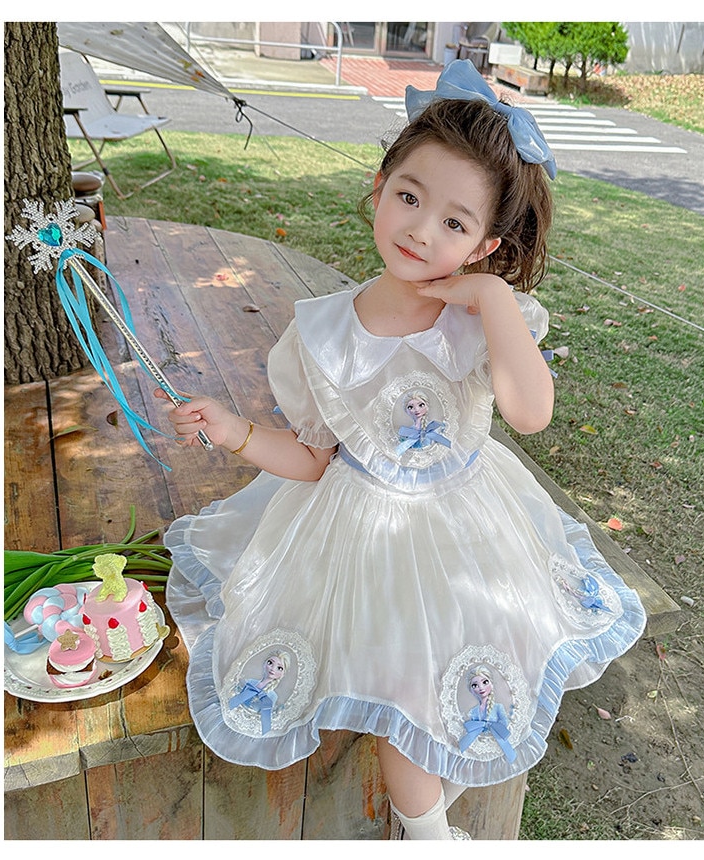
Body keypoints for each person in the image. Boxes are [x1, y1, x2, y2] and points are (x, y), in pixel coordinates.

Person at [154, 60, 646, 840]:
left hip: (470, 530)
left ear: (484, 243)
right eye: (410, 198)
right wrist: (234, 431)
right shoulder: (322, 333)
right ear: (381, 185)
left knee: (470, 666)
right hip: (361, 535)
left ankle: (434, 819)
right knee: (405, 688)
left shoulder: (484, 317)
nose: (421, 231)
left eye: (455, 223)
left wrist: (492, 298)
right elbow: (314, 459)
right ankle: (430, 840)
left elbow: (530, 414)